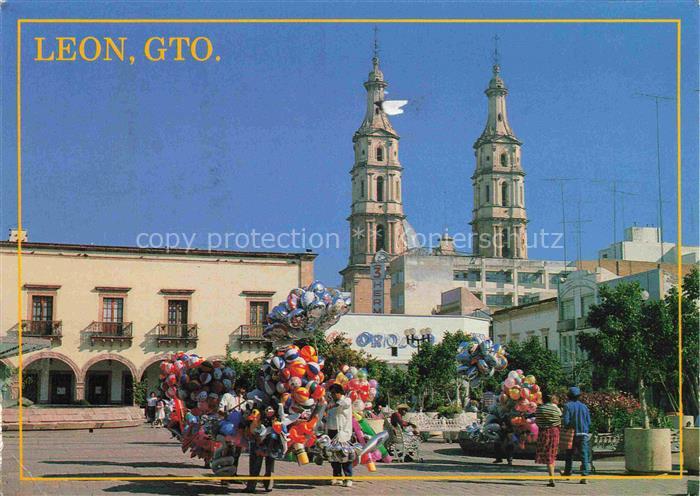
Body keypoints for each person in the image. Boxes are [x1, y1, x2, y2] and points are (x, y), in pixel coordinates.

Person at [561, 387, 592, 484]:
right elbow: (589, 421)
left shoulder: (567, 406)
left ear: (568, 396)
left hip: (572, 433)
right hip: (583, 433)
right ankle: (584, 476)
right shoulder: (584, 407)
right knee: (584, 455)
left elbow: (566, 421)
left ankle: (567, 473)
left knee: (569, 454)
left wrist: (566, 427)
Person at [326, 383, 354, 487]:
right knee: (333, 456)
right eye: (331, 393)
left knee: (345, 455)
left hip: (342, 433)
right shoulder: (331, 401)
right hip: (331, 431)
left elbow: (342, 404)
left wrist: (332, 405)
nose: (332, 395)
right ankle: (337, 476)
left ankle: (348, 478)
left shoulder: (346, 400)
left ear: (339, 392)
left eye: (334, 393)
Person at [535, 391, 562, 487]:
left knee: (548, 456)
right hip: (554, 432)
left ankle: (552, 477)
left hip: (543, 432)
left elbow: (537, 421)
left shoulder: (539, 409)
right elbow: (559, 419)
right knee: (552, 455)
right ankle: (552, 478)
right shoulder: (555, 408)